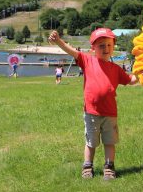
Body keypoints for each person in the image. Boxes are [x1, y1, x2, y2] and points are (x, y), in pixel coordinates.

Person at [48, 28, 137, 180]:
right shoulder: (87, 61)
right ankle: (87, 166)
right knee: (91, 142)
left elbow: (131, 80)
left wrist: (142, 72)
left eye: (109, 45)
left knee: (110, 142)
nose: (106, 48)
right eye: (101, 45)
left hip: (110, 114)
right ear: (93, 48)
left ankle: (109, 167)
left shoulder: (116, 69)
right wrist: (58, 41)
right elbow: (71, 51)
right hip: (91, 113)